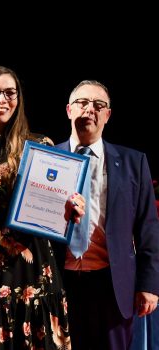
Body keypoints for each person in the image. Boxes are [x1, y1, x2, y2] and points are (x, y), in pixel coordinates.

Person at [0, 66, 85, 349]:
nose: (2, 99)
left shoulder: (40, 146)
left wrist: (69, 208)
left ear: (18, 98)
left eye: (10, 92)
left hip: (33, 272)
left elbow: (56, 209)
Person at [54, 80, 159, 350]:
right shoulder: (48, 159)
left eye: (99, 105)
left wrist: (149, 284)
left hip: (112, 285)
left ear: (108, 115)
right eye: (82, 103)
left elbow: (148, 227)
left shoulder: (133, 162)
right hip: (59, 283)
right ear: (68, 110)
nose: (90, 109)